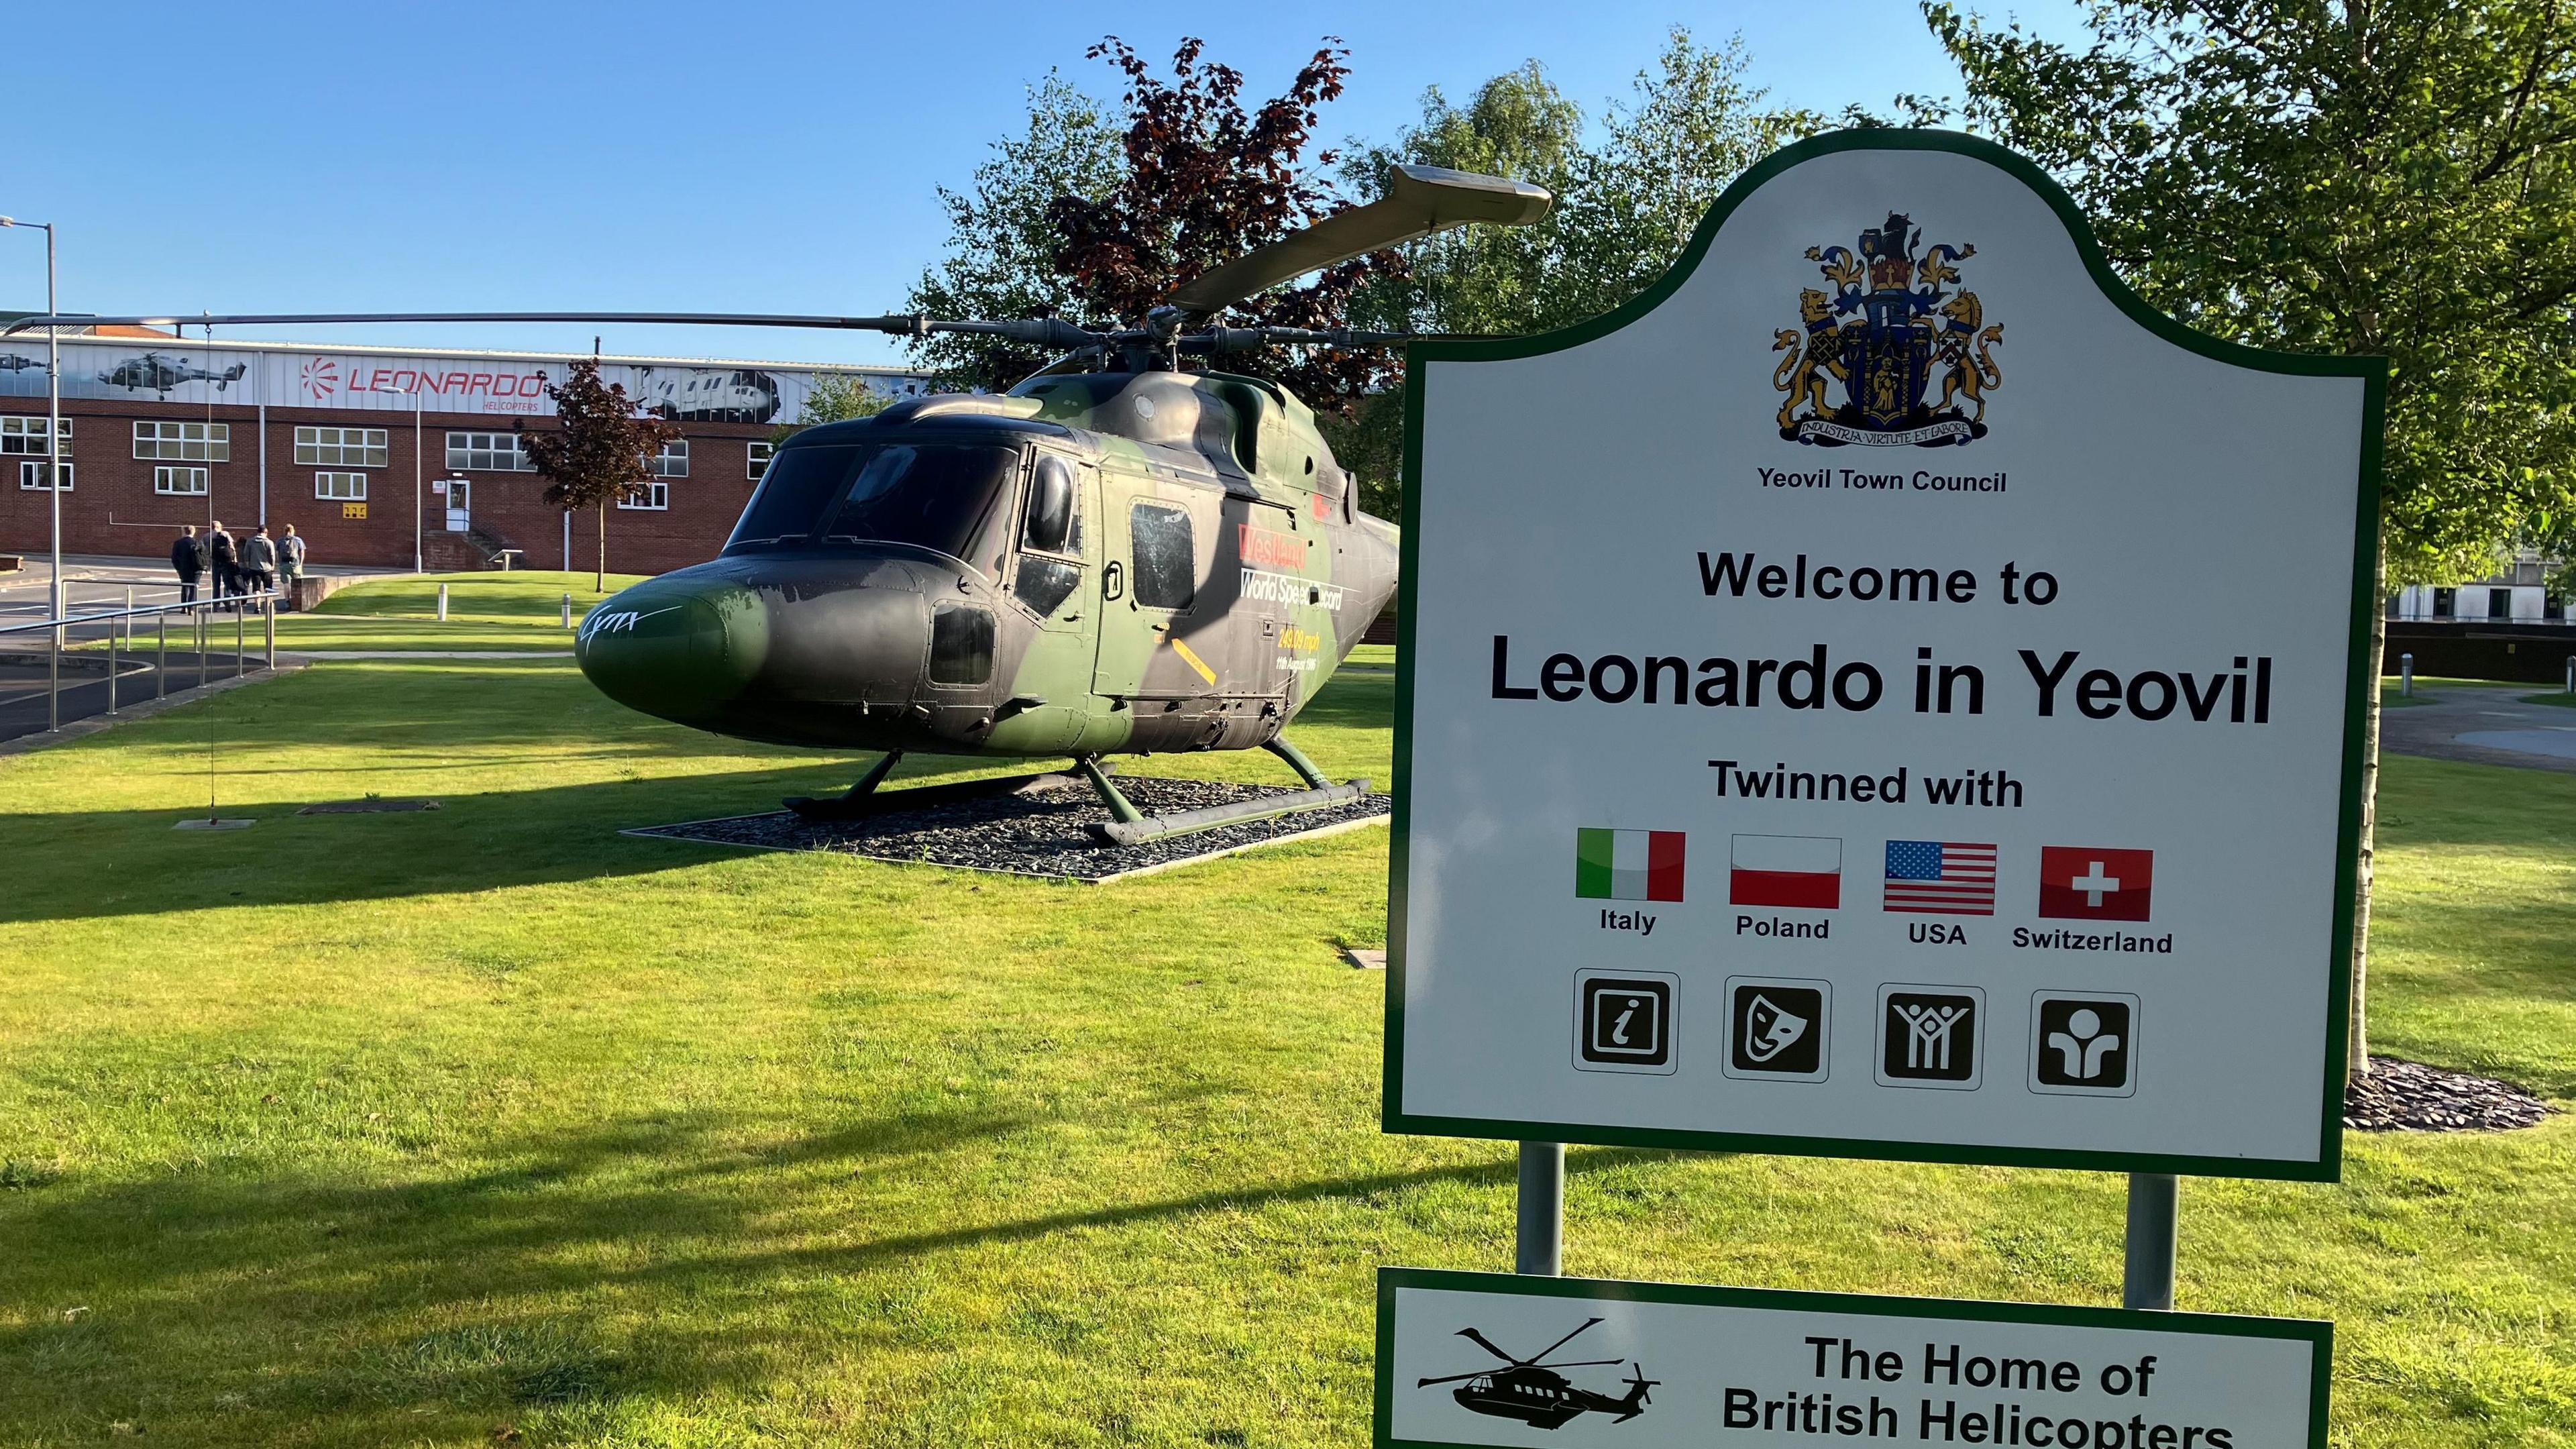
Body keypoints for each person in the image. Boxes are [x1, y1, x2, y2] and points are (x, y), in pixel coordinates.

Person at [170, 525, 207, 606]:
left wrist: (178, 568)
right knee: (193, 587)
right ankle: (191, 607)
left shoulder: (178, 543)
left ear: (184, 532)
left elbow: (174, 558)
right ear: (193, 532)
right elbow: (204, 556)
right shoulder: (198, 543)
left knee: (185, 587)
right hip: (196, 569)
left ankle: (183, 606)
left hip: (183, 569)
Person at [239, 525, 278, 598]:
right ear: (266, 532)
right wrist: (272, 566)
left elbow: (246, 554)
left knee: (256, 589)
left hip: (254, 568)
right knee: (268, 588)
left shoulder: (250, 541)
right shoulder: (269, 542)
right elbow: (272, 556)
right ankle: (268, 606)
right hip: (267, 569)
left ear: (258, 532)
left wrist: (248, 565)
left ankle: (258, 607)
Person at [207, 520, 239, 607]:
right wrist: (235, 558)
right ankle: (227, 600)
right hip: (226, 562)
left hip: (215, 561)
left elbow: (204, 549)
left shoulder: (207, 536)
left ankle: (216, 603)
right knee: (227, 582)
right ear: (220, 527)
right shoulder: (225, 534)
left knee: (216, 583)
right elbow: (232, 547)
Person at [278, 523, 307, 602]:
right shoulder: (298, 540)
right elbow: (302, 553)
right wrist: (300, 564)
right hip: (295, 564)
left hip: (284, 564)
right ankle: (297, 601)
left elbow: (278, 553)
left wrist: (280, 563)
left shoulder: (280, 541)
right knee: (297, 583)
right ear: (293, 531)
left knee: (286, 583)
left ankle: (287, 601)